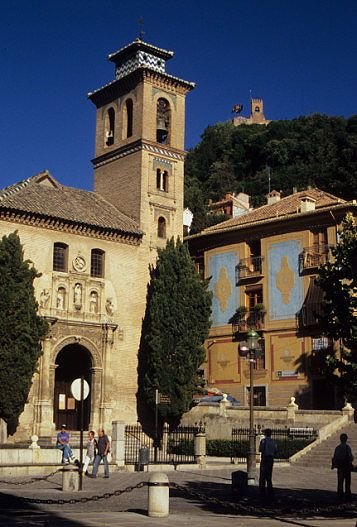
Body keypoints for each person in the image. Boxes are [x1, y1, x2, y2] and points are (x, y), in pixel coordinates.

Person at [331, 433, 354, 501]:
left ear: (340, 439)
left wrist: (333, 465)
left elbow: (335, 457)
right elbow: (350, 457)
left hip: (340, 467)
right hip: (346, 467)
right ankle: (347, 496)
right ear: (346, 439)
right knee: (347, 482)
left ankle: (340, 496)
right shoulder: (347, 447)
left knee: (340, 482)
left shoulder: (338, 447)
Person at [259, 428, 278, 495]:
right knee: (269, 476)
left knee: (262, 475)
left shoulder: (263, 441)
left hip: (264, 459)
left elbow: (260, 449)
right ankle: (270, 489)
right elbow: (276, 451)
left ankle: (262, 490)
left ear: (265, 434)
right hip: (271, 460)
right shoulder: (274, 442)